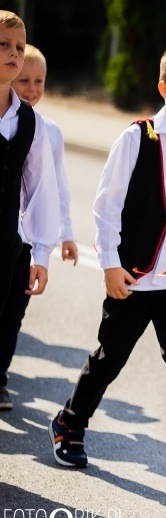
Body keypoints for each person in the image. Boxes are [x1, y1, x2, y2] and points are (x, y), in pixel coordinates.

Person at [49, 46, 166, 491]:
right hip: (135, 275)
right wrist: (110, 264)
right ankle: (69, 422)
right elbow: (107, 207)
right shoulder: (138, 137)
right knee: (110, 357)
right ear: (164, 88)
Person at [0, 44, 78, 412]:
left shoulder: (48, 131)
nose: (31, 88)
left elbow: (55, 187)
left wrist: (65, 234)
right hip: (6, 230)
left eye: (39, 81)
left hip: (24, 240)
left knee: (13, 314)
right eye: (24, 79)